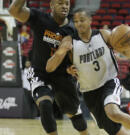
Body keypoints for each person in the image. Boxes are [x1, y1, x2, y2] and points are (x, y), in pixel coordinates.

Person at [46, 9, 130, 135]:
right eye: (76, 21)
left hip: (108, 82)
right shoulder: (69, 41)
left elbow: (129, 56)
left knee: (113, 112)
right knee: (116, 131)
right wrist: (63, 59)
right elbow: (50, 67)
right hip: (89, 92)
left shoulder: (104, 35)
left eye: (82, 20)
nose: (79, 24)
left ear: (90, 21)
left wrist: (128, 42)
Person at [8, 1, 89, 135]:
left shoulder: (74, 30)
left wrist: (74, 67)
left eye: (67, 3)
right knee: (45, 104)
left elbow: (76, 57)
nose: (64, 6)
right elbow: (14, 11)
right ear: (51, 5)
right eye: (60, 3)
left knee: (74, 113)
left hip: (63, 75)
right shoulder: (40, 18)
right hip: (40, 72)